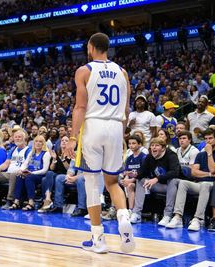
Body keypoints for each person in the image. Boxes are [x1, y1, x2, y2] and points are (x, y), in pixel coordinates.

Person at [65, 32, 135, 254]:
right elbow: (126, 109)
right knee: (112, 182)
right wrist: (120, 133)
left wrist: (73, 138)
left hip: (93, 126)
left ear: (91, 46)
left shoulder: (84, 70)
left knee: (92, 183)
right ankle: (124, 217)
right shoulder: (122, 72)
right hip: (115, 125)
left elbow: (80, 107)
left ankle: (98, 239)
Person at [166, 128, 215, 231]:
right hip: (200, 183)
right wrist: (209, 174)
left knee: (205, 185)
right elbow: (194, 172)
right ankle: (178, 216)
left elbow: (213, 168)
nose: (208, 141)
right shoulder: (200, 154)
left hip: (213, 185)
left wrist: (209, 153)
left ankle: (198, 219)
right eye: (206, 139)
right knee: (183, 183)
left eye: (210, 138)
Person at [130, 137, 181, 226]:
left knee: (172, 180)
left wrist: (157, 178)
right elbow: (142, 172)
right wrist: (134, 175)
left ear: (163, 148)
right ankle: (137, 213)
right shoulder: (150, 156)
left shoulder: (171, 155)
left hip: (172, 187)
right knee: (140, 180)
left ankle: (167, 215)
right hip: (158, 186)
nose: (153, 148)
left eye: (157, 146)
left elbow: (175, 172)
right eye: (152, 146)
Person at [0, 129, 31, 208]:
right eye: (16, 137)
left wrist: (21, 170)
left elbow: (28, 164)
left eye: (19, 137)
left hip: (20, 174)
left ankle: (10, 200)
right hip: (8, 173)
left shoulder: (28, 150)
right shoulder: (12, 149)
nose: (17, 139)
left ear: (24, 139)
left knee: (13, 174)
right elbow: (6, 163)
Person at [11, 135, 51, 211]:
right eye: (36, 141)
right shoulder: (31, 153)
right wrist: (21, 170)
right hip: (30, 173)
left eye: (40, 142)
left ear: (43, 144)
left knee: (29, 178)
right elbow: (25, 164)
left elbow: (45, 170)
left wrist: (32, 173)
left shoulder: (46, 154)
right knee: (19, 176)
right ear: (34, 143)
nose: (38, 143)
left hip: (40, 175)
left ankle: (31, 202)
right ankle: (17, 201)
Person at [38, 135, 71, 213]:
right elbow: (52, 168)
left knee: (45, 179)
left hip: (66, 174)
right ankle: (47, 199)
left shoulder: (71, 154)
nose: (64, 142)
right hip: (55, 174)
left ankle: (47, 202)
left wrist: (63, 159)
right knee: (49, 174)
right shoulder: (56, 152)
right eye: (62, 140)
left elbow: (69, 169)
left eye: (66, 141)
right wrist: (54, 159)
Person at [121, 135, 147, 223]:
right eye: (129, 144)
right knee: (128, 185)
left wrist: (130, 180)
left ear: (139, 144)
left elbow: (142, 174)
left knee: (131, 184)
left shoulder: (144, 157)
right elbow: (127, 172)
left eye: (134, 143)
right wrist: (126, 179)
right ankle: (130, 210)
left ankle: (136, 213)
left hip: (142, 181)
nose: (131, 145)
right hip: (131, 181)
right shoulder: (129, 158)